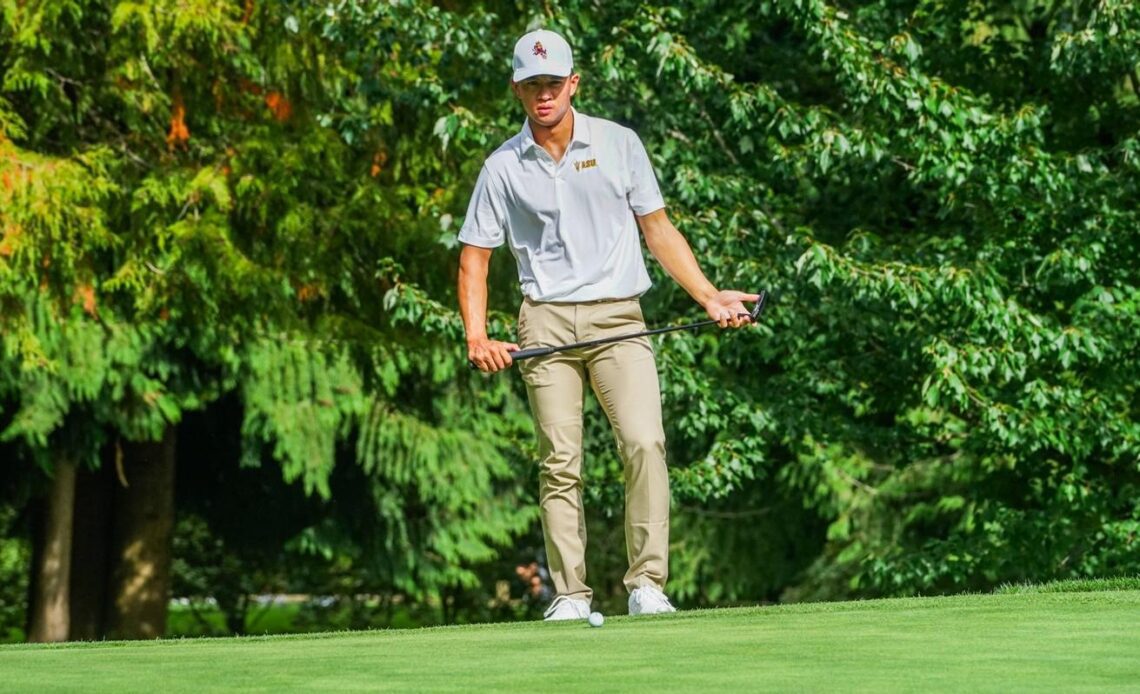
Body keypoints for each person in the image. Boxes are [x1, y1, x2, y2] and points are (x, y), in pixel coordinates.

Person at [457, 28, 759, 621]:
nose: (544, 95)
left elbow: (659, 229)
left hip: (619, 314)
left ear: (573, 83)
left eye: (553, 83)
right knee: (560, 461)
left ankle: (647, 584)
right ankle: (569, 595)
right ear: (517, 90)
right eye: (532, 85)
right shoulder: (501, 168)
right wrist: (476, 335)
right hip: (542, 322)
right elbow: (475, 256)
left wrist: (707, 297)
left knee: (644, 442)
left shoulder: (619, 144)